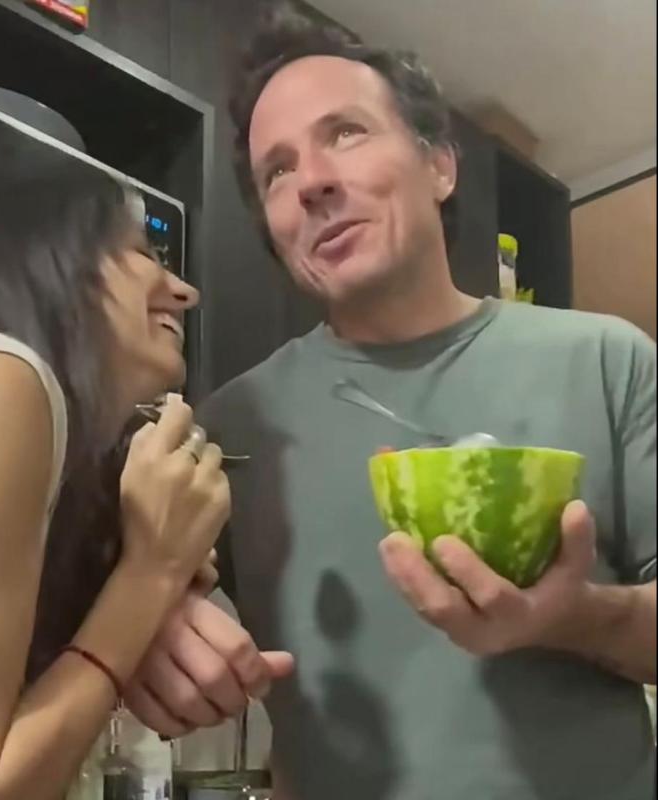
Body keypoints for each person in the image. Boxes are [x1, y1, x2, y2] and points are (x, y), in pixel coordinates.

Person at [129, 10, 657, 799]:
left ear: (439, 165)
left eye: (345, 133)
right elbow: (145, 592)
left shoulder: (609, 360)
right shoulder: (233, 428)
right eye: (277, 171)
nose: (312, 181)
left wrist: (575, 615)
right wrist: (153, 628)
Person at [0, 160, 239, 799]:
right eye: (141, 252)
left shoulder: (70, 484)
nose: (185, 292)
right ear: (47, 262)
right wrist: (152, 573)